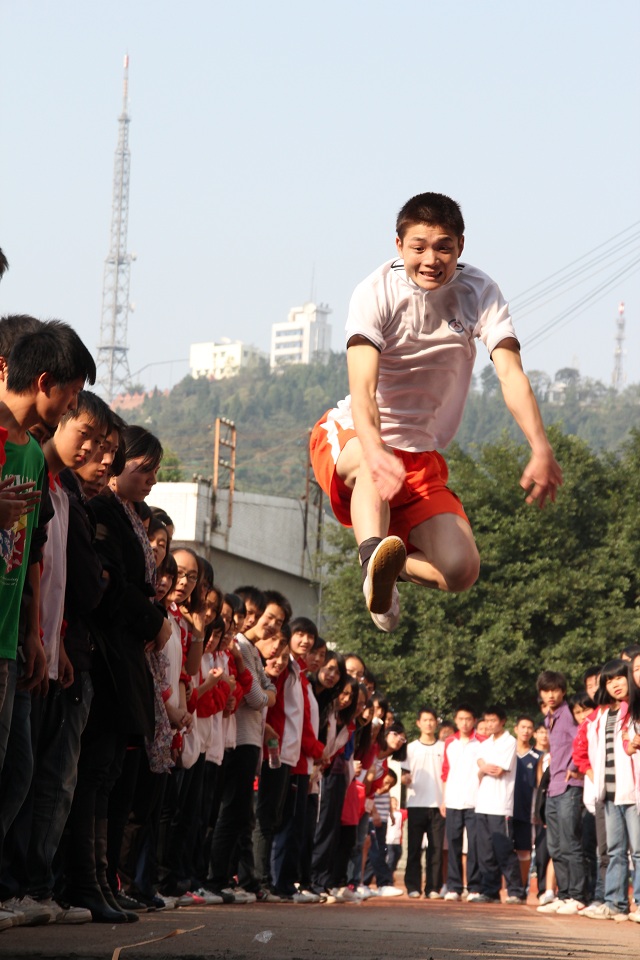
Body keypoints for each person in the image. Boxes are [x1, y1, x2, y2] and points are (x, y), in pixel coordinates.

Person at [309, 192, 562, 631]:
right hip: (357, 434)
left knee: (461, 569)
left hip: (420, 455)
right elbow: (363, 388)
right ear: (399, 245)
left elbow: (510, 373)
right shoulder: (375, 292)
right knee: (371, 461)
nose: (431, 260)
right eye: (419, 247)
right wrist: (375, 449)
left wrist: (540, 447)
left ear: (461, 246)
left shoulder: (480, 292)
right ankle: (371, 563)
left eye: (444, 247)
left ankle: (390, 569)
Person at [535, 671, 585, 916]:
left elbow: (581, 740)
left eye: (555, 690)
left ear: (563, 691)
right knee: (554, 846)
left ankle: (578, 896)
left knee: (569, 843)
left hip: (569, 787)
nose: (551, 695)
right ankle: (564, 895)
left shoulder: (568, 715)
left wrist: (574, 767)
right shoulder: (550, 718)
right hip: (553, 788)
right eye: (546, 691)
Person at [471, 706, 525, 905]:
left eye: (493, 720)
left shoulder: (509, 741)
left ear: (503, 721)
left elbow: (498, 770)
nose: (489, 724)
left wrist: (483, 768)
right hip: (482, 804)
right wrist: (483, 767)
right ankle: (490, 891)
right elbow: (480, 761)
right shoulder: (485, 743)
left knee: (503, 850)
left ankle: (516, 891)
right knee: (485, 852)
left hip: (501, 805)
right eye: (487, 721)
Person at [441, 703, 485, 902]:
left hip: (475, 801)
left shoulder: (482, 742)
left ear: (474, 720)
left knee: (475, 844)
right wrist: (444, 799)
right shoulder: (449, 742)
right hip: (453, 800)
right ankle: (454, 886)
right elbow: (445, 771)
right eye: (461, 719)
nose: (465, 723)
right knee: (453, 844)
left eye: (468, 719)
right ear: (456, 720)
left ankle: (474, 887)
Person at [401, 708, 445, 899]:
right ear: (418, 723)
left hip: (438, 805)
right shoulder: (410, 748)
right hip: (416, 804)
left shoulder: (443, 748)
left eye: (431, 720)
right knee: (414, 848)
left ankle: (433, 887)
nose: (428, 723)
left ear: (436, 723)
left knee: (436, 849)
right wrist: (405, 779)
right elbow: (404, 774)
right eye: (425, 720)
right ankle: (413, 886)